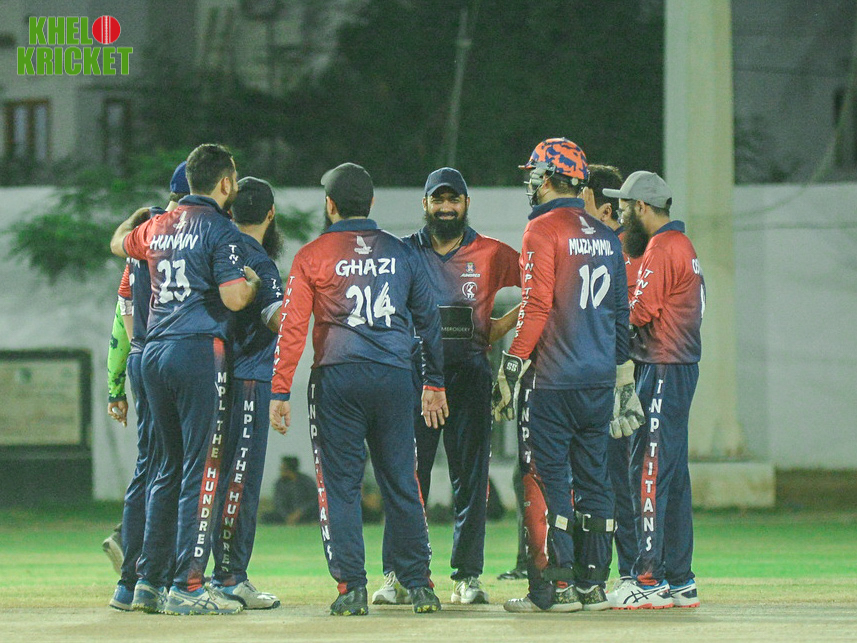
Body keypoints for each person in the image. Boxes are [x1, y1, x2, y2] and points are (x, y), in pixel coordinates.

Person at [268, 162, 448, 616]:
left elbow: (292, 327)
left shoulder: (312, 255)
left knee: (341, 487)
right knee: (402, 482)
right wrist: (434, 381)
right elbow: (429, 321)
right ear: (371, 203)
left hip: (338, 380)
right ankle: (419, 585)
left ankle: (352, 589)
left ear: (330, 205)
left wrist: (280, 389)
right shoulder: (402, 252)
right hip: (393, 378)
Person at [110, 143, 260, 616]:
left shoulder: (157, 225)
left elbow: (118, 244)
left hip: (153, 353)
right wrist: (253, 286)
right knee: (203, 468)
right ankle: (188, 586)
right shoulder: (220, 228)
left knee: (164, 469)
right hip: (197, 351)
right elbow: (234, 298)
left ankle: (148, 582)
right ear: (226, 183)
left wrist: (132, 219)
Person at [492, 137, 636, 613]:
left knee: (547, 481)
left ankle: (554, 588)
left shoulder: (541, 229)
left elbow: (536, 306)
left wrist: (511, 365)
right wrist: (621, 375)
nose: (531, 183)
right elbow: (620, 313)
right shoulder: (606, 236)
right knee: (595, 481)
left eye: (535, 174)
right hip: (598, 381)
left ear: (551, 178)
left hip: (553, 381)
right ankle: (593, 585)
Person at [372, 167, 520, 607]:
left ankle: (467, 577)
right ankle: (398, 574)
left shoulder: (491, 252)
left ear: (466, 204)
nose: (446, 208)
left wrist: (499, 327)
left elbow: (540, 287)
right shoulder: (403, 253)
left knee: (471, 480)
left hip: (470, 376)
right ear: (425, 204)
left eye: (453, 199)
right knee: (406, 478)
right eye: (438, 200)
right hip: (415, 379)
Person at [602, 171, 705, 609]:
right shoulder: (683, 245)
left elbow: (638, 312)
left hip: (661, 368)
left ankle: (647, 580)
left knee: (646, 470)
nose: (621, 215)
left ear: (641, 207)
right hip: (678, 368)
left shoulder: (662, 247)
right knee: (673, 475)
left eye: (625, 207)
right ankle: (680, 579)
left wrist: (596, 324)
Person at [105, 161, 190, 610]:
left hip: (141, 356)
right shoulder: (191, 234)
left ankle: (130, 578)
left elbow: (123, 318)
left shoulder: (142, 238)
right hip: (175, 354)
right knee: (176, 466)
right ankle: (160, 575)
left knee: (150, 465)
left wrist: (116, 385)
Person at [208, 176, 284, 609]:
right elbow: (277, 320)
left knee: (202, 476)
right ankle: (230, 577)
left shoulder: (214, 250)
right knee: (240, 479)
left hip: (206, 376)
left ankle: (174, 576)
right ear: (271, 214)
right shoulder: (259, 261)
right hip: (249, 380)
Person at [581, 164, 642, 587]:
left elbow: (628, 320)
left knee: (616, 480)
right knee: (602, 481)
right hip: (594, 378)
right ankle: (601, 572)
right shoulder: (604, 250)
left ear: (604, 211)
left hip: (615, 381)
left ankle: (632, 572)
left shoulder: (618, 253)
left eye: (583, 202)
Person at [262, 456, 319, 524]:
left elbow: (314, 500)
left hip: (305, 514)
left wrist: (300, 512)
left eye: (282, 468)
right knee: (266, 516)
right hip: (287, 515)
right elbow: (278, 503)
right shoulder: (280, 483)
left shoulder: (307, 481)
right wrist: (287, 516)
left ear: (289, 469)